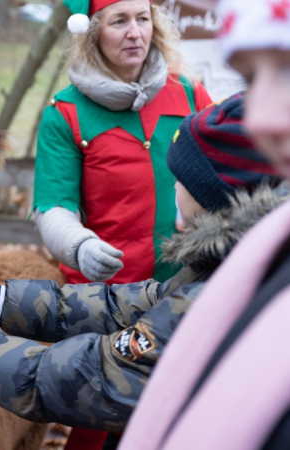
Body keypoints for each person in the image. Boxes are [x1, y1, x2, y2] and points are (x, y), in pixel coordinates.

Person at [0, 93, 285, 450]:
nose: (170, 193)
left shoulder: (218, 301)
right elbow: (124, 305)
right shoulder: (232, 270)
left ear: (213, 195)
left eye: (179, 181)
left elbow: (81, 379)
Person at [114, 1, 290, 448]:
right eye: (250, 80)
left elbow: (100, 374)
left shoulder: (187, 94)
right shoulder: (269, 256)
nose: (261, 118)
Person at [35, 0, 212, 288]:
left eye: (142, 19)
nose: (135, 33)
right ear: (93, 33)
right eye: (119, 22)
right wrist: (79, 246)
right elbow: (54, 208)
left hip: (183, 287)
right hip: (102, 297)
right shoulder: (64, 114)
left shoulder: (189, 93)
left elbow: (227, 169)